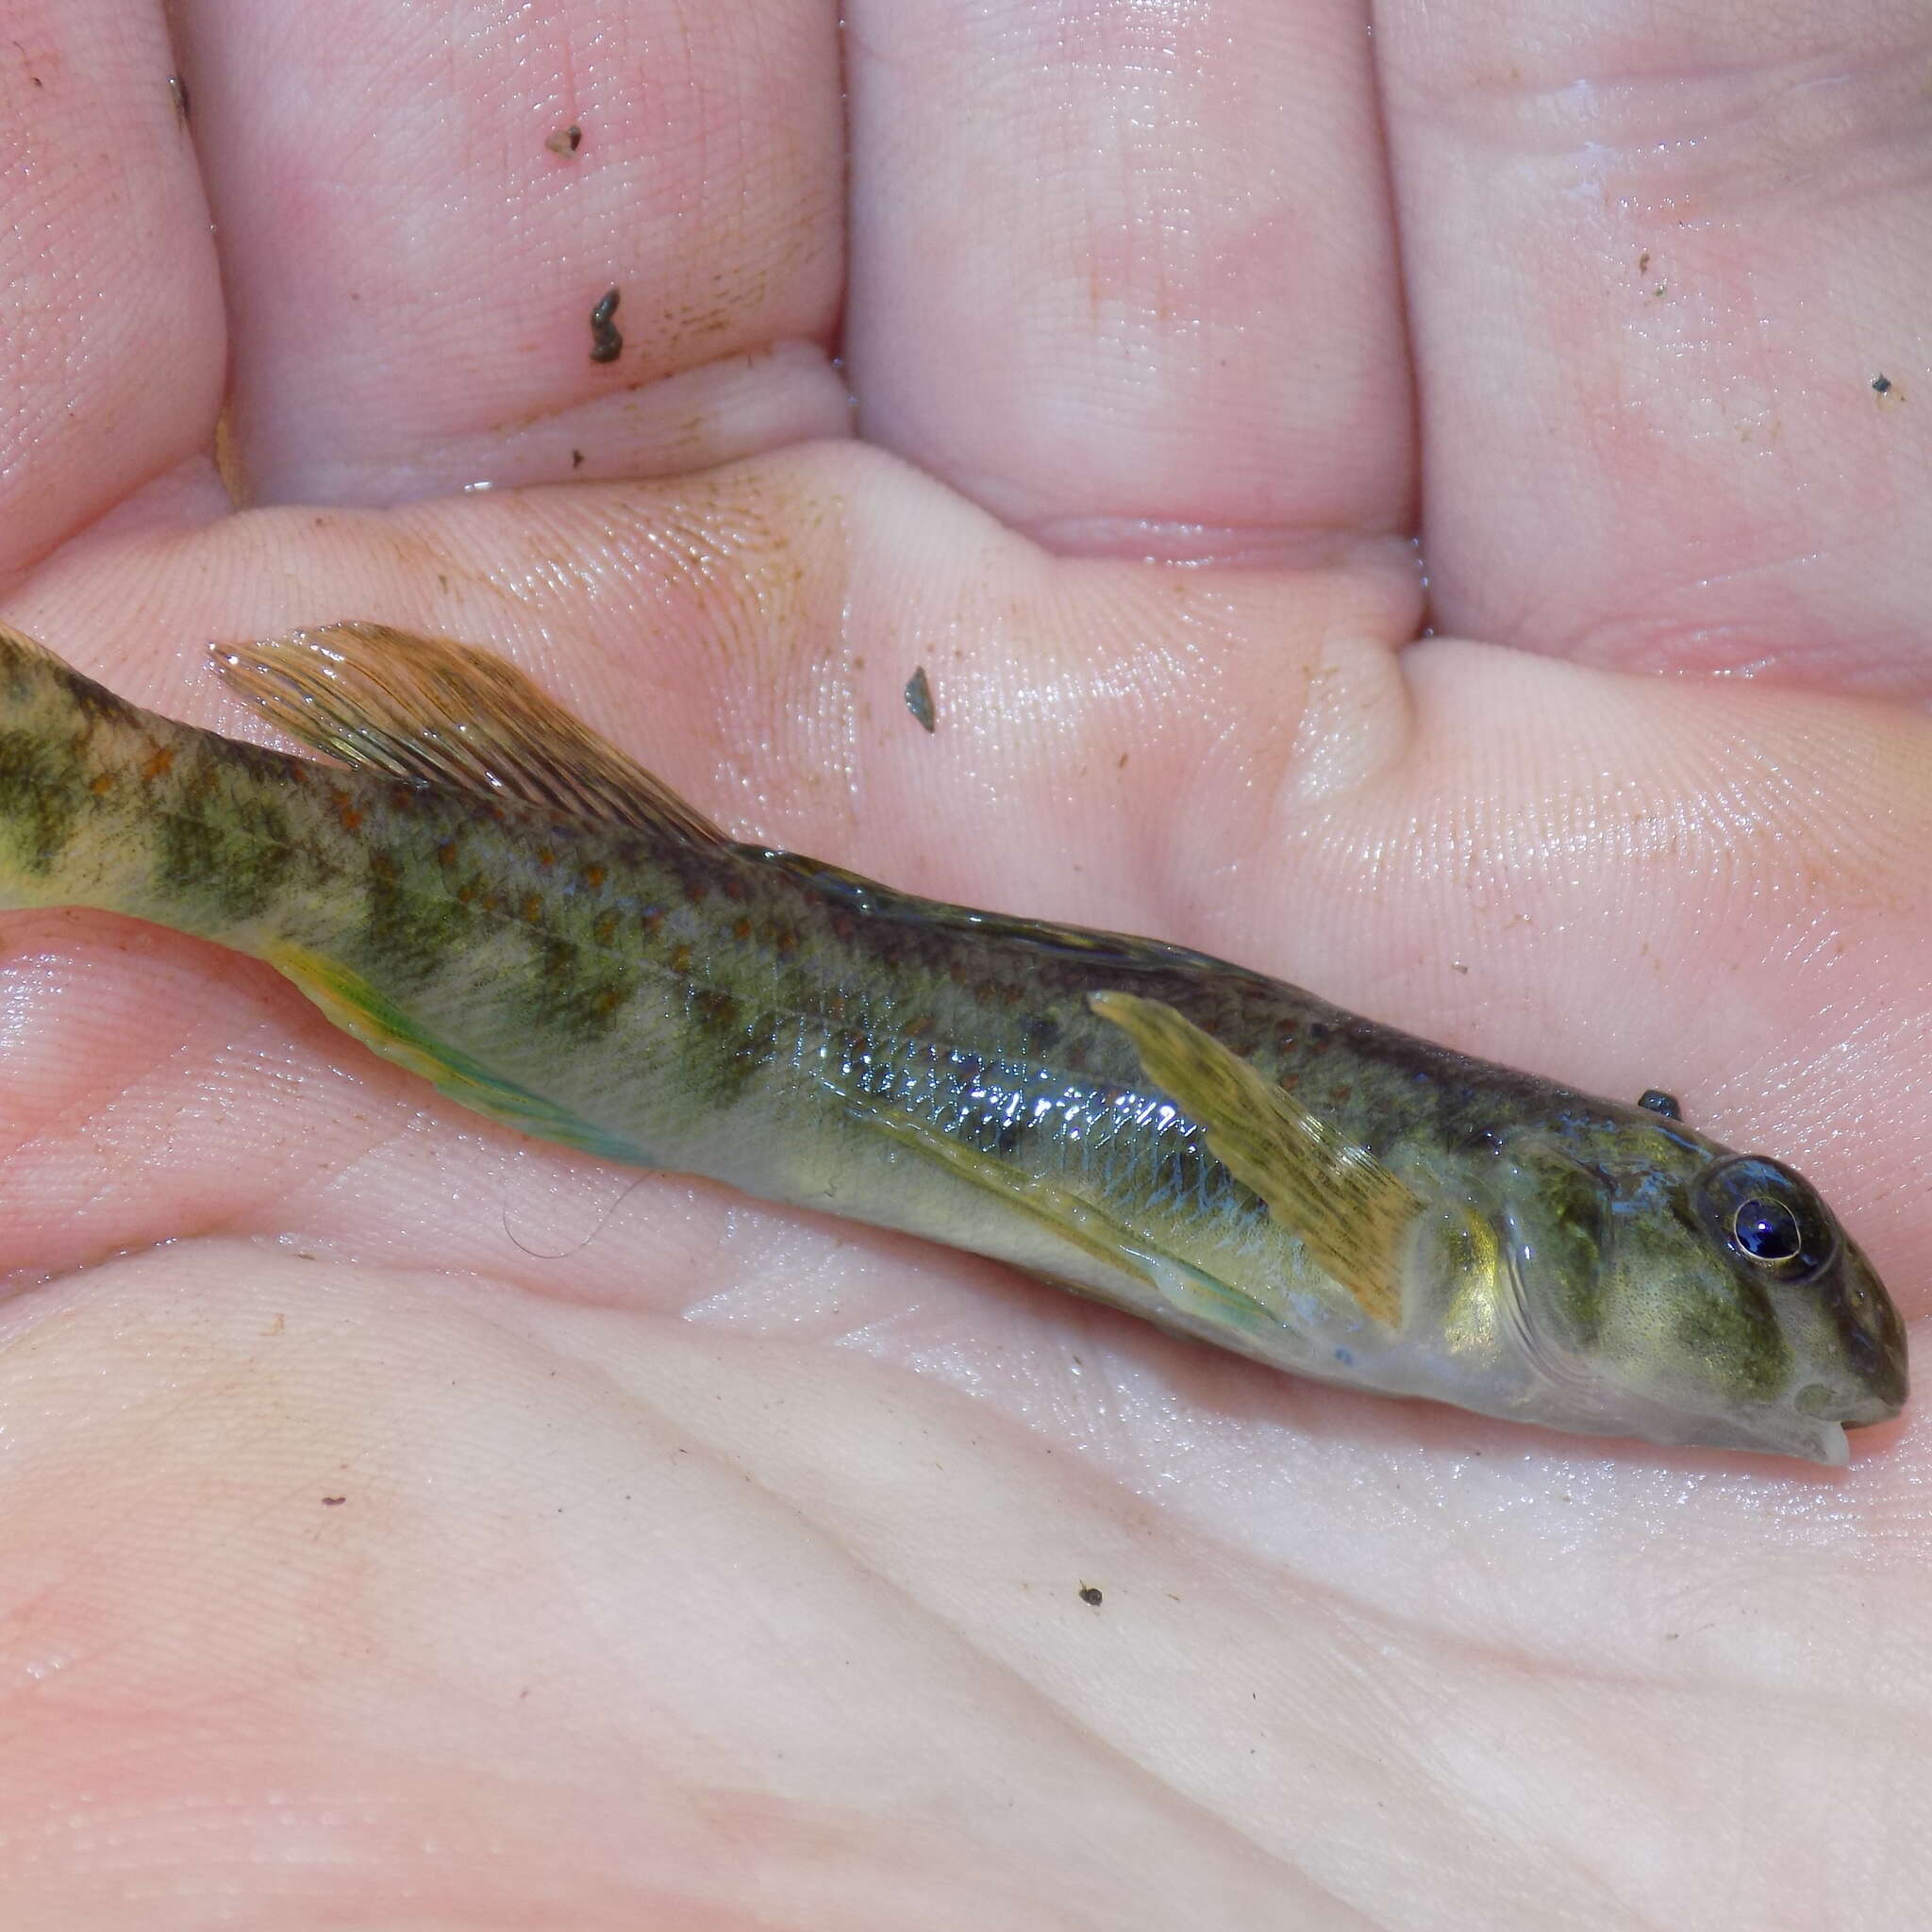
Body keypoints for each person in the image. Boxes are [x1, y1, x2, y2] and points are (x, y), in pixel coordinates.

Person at [0, 1, 1920, 1924]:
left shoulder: (1472, 1288)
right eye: (1758, 1236)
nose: (1789, 1290)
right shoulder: (1425, 1236)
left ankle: (113, 809)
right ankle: (99, 809)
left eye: (1768, 1234)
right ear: (1534, 1216)